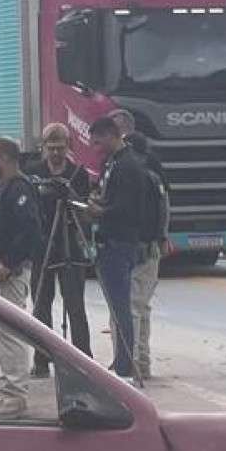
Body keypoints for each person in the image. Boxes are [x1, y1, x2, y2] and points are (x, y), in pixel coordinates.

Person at [0, 136, 43, 417]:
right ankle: (8, 391)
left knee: (10, 334)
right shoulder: (4, 188)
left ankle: (16, 396)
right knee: (1, 334)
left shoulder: (20, 189)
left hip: (10, 274)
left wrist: (9, 263)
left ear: (4, 158)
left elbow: (30, 231)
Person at [24, 123, 94, 376]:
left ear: (68, 147)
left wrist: (69, 193)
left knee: (75, 306)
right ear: (43, 147)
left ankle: (84, 362)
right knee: (41, 305)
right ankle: (42, 360)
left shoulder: (78, 174)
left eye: (60, 148)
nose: (55, 153)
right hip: (43, 245)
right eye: (51, 148)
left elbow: (84, 210)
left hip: (70, 243)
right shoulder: (33, 172)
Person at [86, 115, 149, 381]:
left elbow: (128, 209)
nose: (96, 148)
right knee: (116, 307)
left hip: (120, 243)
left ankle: (125, 368)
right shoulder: (111, 163)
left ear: (112, 136)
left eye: (98, 142)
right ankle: (121, 360)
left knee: (122, 308)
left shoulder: (129, 166)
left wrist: (101, 212)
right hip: (108, 241)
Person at [113, 109, 171, 382]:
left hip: (134, 246)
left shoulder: (127, 167)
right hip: (152, 246)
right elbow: (166, 202)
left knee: (128, 309)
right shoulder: (153, 163)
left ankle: (130, 365)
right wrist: (163, 236)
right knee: (142, 307)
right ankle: (143, 363)